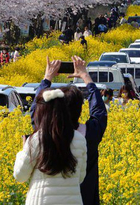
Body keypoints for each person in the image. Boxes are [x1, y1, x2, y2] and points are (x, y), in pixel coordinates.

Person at [30, 56, 108, 205]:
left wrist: (47, 78)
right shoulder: (89, 135)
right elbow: (99, 112)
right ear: (79, 109)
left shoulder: (44, 132)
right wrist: (85, 76)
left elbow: (36, 110)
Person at [15, 83, 87, 204]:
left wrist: (23, 151)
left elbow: (20, 176)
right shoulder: (79, 139)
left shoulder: (36, 140)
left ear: (41, 113)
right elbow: (80, 177)